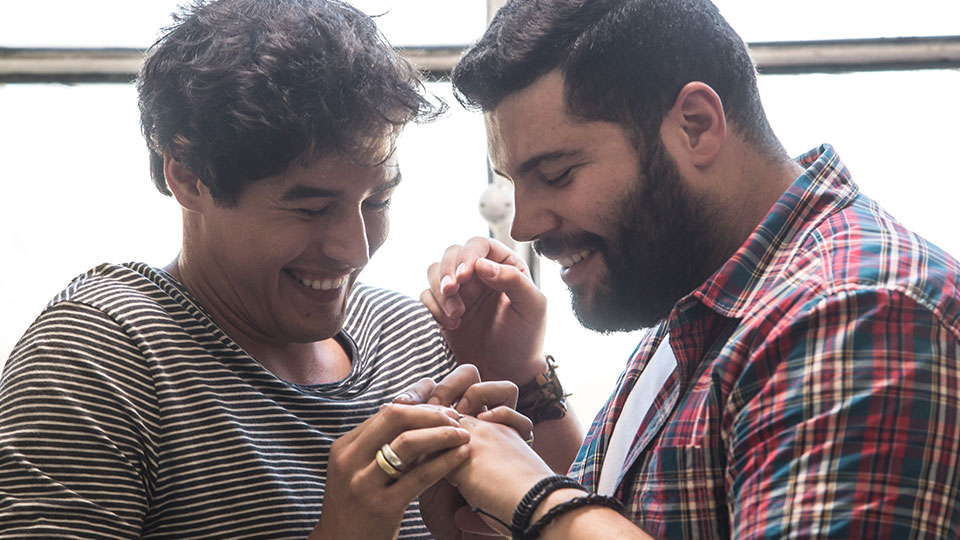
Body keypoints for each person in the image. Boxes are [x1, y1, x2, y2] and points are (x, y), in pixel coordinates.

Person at [419, 0, 960, 538]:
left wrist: (528, 496)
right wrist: (522, 386)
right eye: (516, 183)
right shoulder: (707, 290)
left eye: (557, 174)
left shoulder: (858, 313)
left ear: (696, 126)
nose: (525, 226)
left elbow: (564, 514)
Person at [0, 1, 532, 538]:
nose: (355, 248)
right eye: (311, 208)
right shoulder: (98, 360)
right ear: (189, 178)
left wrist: (522, 376)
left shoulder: (412, 334)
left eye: (377, 201)